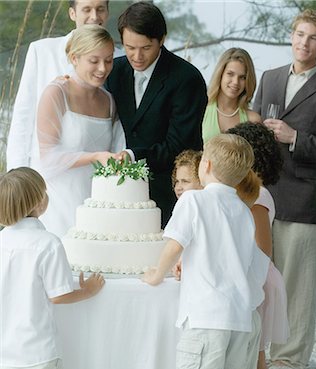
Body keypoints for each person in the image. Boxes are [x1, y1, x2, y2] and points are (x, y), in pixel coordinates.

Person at [143, 134, 269, 369]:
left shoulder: (193, 200)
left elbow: (174, 244)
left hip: (207, 314)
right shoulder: (243, 210)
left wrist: (157, 274)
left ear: (206, 166)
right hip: (238, 317)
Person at [0, 167, 105, 369]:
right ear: (37, 203)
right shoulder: (47, 243)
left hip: (2, 352)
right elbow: (59, 295)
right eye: (44, 192)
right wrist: (88, 290)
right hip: (36, 353)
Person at [253, 9, 316, 369]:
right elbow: (257, 129)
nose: (303, 43)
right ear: (291, 36)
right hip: (265, 195)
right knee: (263, 275)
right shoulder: (271, 76)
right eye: (299, 34)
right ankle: (262, 348)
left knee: (297, 282)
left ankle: (291, 357)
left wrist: (296, 139)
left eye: (312, 37)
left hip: (306, 198)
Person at [106, 1, 208, 226]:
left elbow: (180, 145)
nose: (137, 56)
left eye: (145, 48)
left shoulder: (187, 79)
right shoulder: (114, 71)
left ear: (161, 40)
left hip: (167, 196)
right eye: (130, 47)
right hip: (118, 197)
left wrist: (133, 156)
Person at [34, 24, 125, 237]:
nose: (103, 68)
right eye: (94, 61)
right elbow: (47, 158)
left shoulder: (109, 101)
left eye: (109, 60)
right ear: (74, 58)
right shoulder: (56, 93)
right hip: (60, 203)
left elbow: (114, 149)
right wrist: (95, 157)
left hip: (97, 203)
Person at [230, 122, 289, 369]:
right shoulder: (247, 190)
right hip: (250, 275)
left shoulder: (259, 194)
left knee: (256, 355)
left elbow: (262, 249)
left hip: (258, 278)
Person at [6, 0, 110, 170]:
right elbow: (22, 117)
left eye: (100, 9)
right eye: (87, 10)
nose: (94, 16)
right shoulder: (42, 51)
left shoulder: (117, 59)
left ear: (107, 12)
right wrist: (17, 175)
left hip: (97, 180)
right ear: (72, 13)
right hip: (45, 178)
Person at [202, 48, 261, 143]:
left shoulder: (253, 120)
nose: (235, 82)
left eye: (242, 77)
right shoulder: (201, 110)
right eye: (230, 74)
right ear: (220, 74)